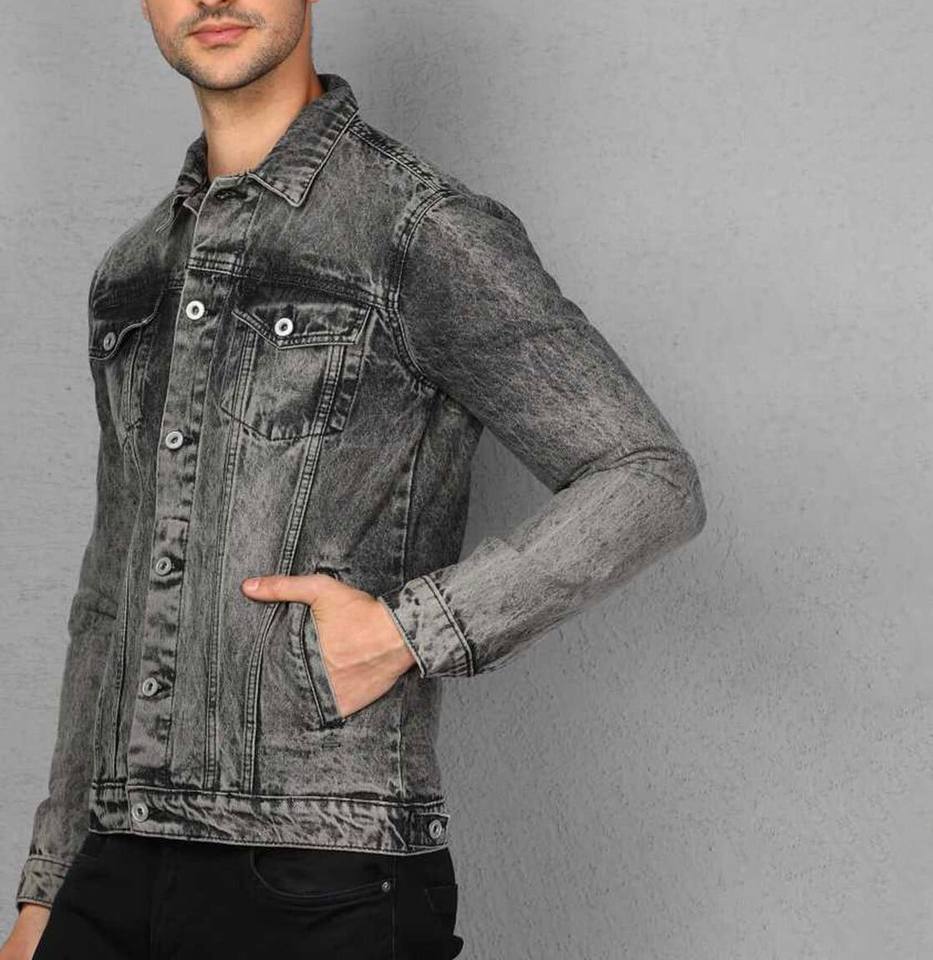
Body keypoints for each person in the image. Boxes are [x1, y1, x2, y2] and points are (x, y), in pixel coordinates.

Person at [3, 1, 708, 957]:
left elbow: (647, 477)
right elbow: (108, 593)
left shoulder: (418, 228)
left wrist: (408, 631)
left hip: (322, 868)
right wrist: (49, 884)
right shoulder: (132, 271)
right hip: (112, 861)